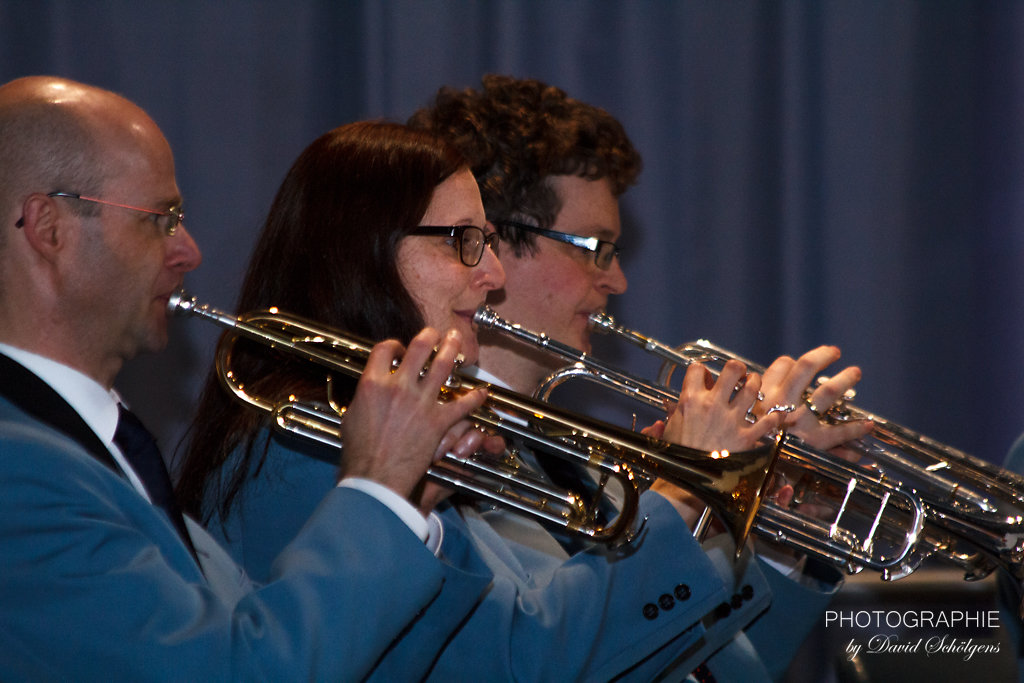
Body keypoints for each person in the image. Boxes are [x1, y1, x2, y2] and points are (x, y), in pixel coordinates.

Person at [175, 119, 799, 681]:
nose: (492, 275)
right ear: (364, 253)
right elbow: (517, 660)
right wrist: (680, 493)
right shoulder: (304, 441)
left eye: (490, 243)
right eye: (462, 243)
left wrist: (745, 522)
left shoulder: (397, 437)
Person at [0, 76, 494, 681]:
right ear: (49, 228)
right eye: (161, 218)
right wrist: (381, 488)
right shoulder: (17, 473)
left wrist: (414, 497)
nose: (189, 250)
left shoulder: (97, 444)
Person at [408, 74, 876, 680]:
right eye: (594, 247)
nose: (617, 281)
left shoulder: (588, 467)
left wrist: (775, 526)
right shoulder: (429, 462)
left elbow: (717, 671)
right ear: (492, 244)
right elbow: (538, 659)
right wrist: (687, 486)